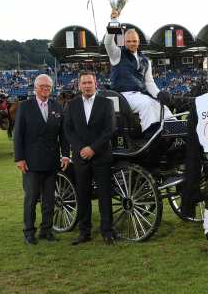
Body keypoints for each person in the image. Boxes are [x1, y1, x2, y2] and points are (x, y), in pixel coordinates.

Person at [13, 74, 70, 245]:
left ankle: (46, 230)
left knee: (49, 200)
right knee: (31, 199)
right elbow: (18, 135)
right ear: (35, 88)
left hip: (51, 161)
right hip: (31, 162)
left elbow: (63, 134)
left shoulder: (57, 106)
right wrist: (19, 158)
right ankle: (29, 232)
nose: (46, 89)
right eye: (42, 86)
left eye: (48, 86)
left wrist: (65, 154)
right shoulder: (25, 107)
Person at [64, 71, 116, 245]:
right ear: (79, 85)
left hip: (101, 156)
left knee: (104, 195)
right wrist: (81, 149)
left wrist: (93, 148)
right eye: (84, 83)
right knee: (83, 195)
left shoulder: (106, 103)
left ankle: (107, 231)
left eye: (90, 83)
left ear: (96, 84)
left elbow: (110, 130)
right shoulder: (71, 105)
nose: (87, 86)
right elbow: (68, 130)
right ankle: (84, 232)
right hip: (80, 157)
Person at [104, 12, 172, 137]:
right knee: (147, 104)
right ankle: (151, 136)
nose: (132, 43)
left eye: (134, 41)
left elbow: (149, 83)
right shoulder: (117, 55)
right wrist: (114, 21)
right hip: (123, 96)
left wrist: (159, 94)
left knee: (163, 109)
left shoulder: (145, 60)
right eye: (128, 41)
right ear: (124, 42)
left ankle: (175, 135)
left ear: (138, 41)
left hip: (141, 95)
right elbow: (108, 43)